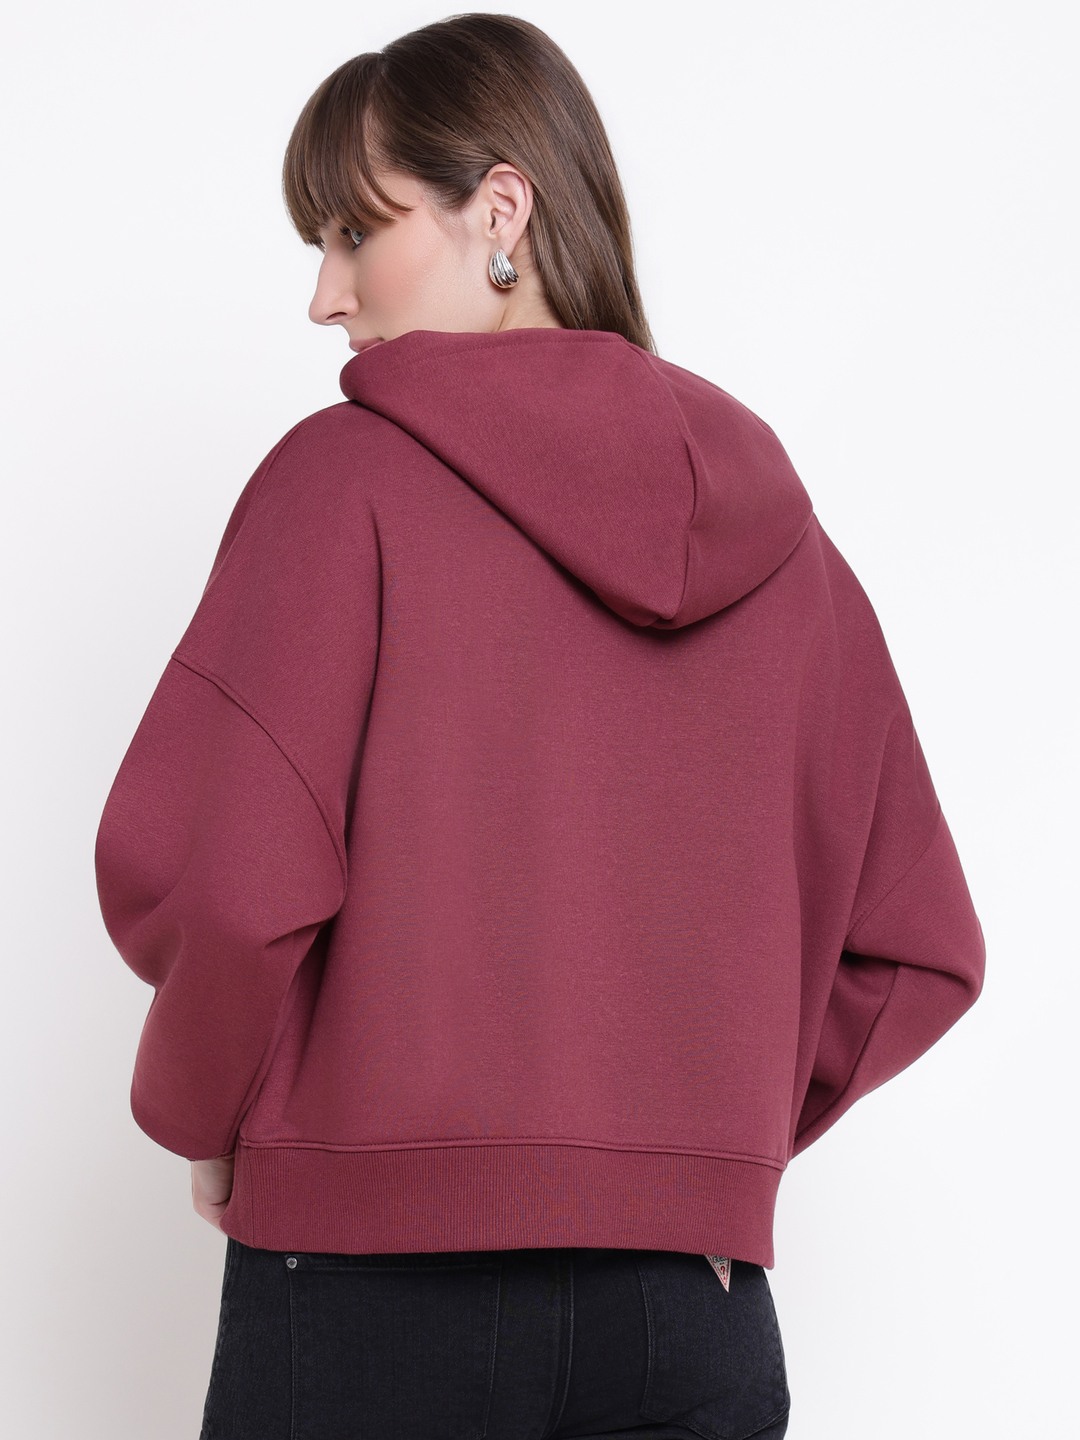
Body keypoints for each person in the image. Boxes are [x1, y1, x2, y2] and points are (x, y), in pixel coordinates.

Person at [93, 14, 986, 1440]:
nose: (325, 296)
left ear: (498, 209)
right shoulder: (792, 553)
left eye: (354, 232)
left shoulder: (342, 484)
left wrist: (204, 1115)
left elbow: (231, 882)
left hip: (374, 1296)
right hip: (692, 1323)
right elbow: (915, 946)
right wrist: (677, 1158)